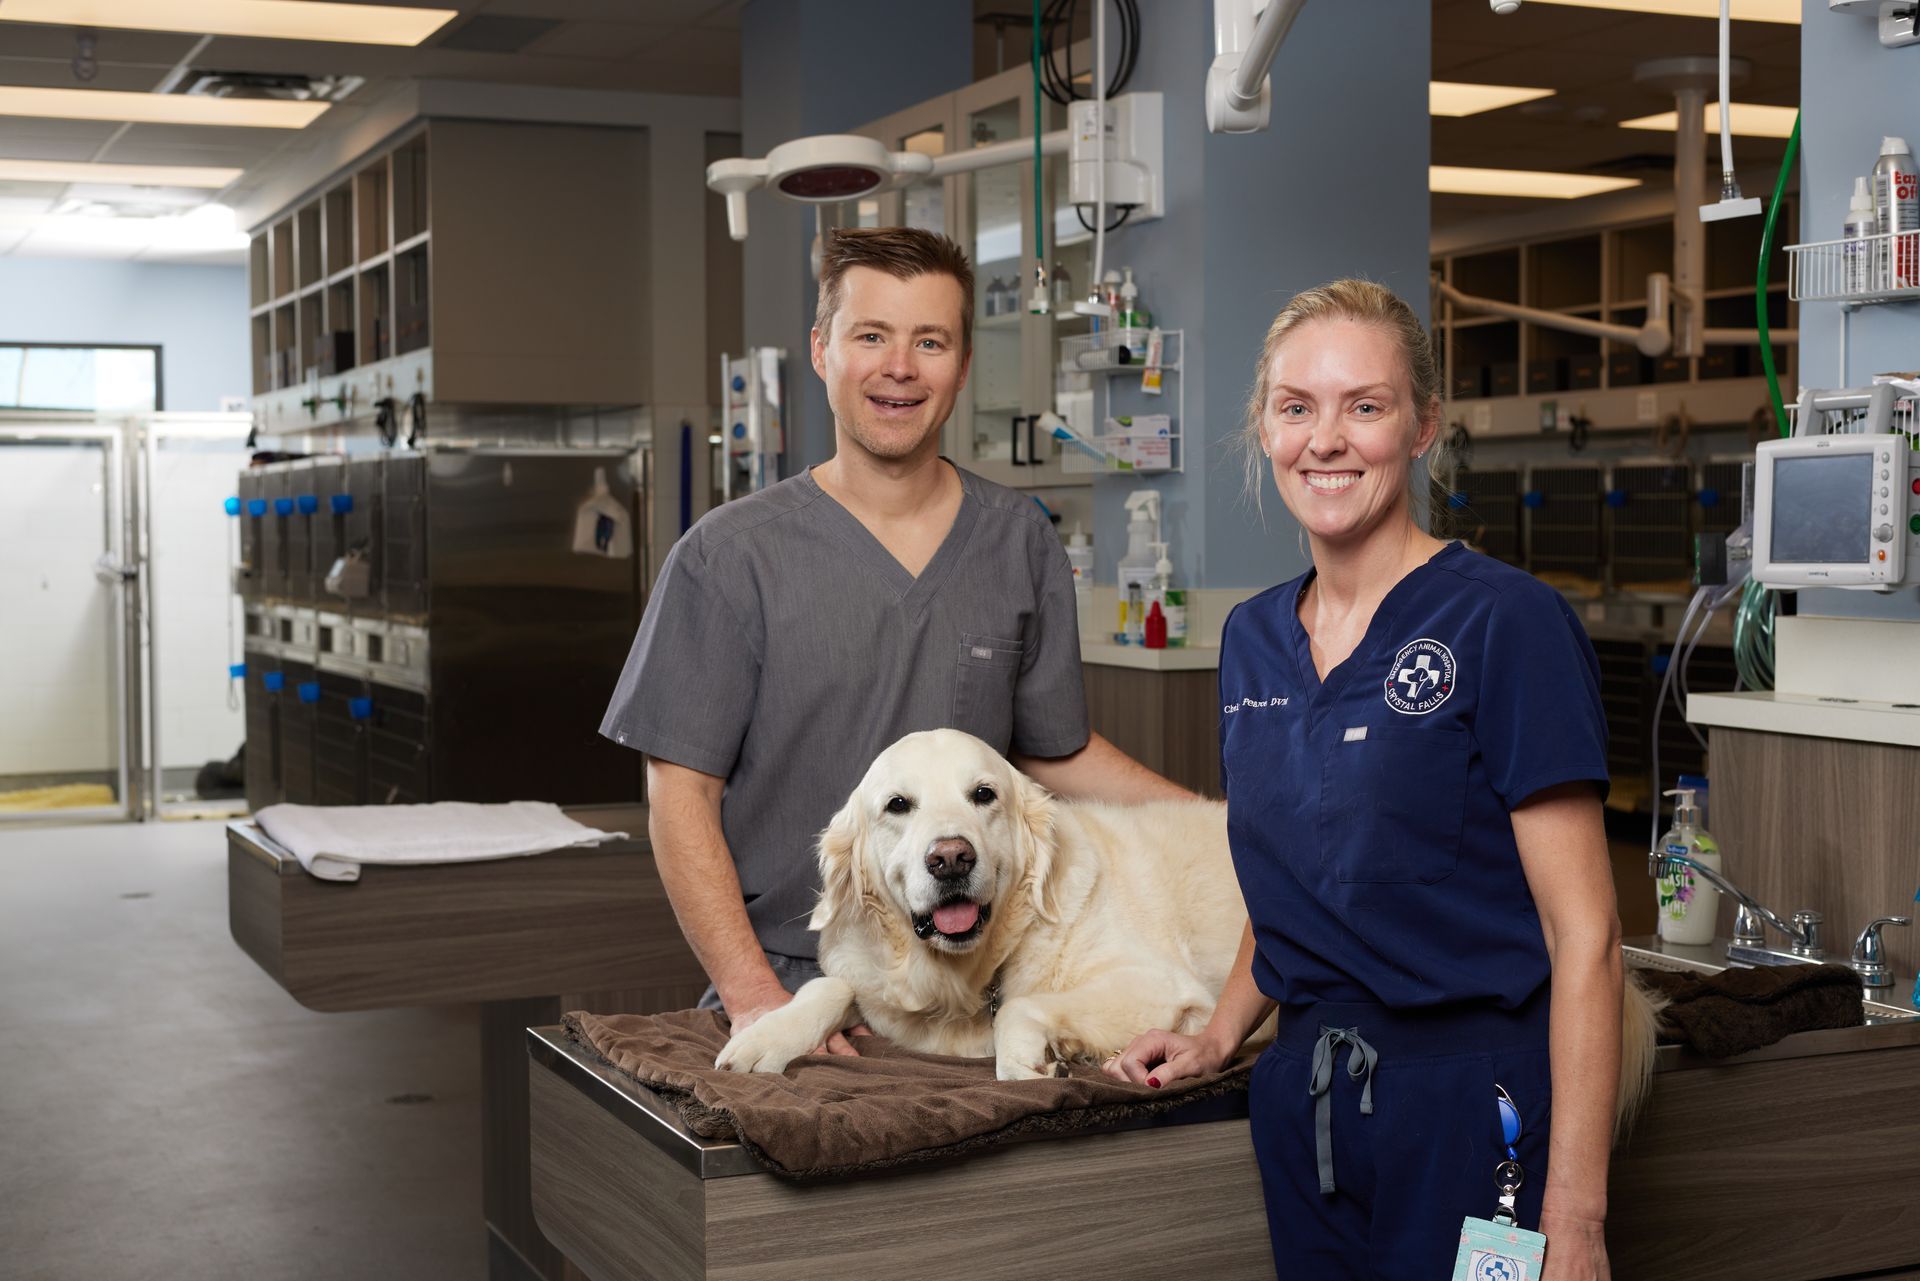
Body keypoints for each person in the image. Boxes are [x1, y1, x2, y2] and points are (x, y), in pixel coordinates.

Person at [1104, 280, 1622, 1281]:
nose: (1327, 440)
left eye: (1365, 406)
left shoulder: (1505, 624)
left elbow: (1586, 936)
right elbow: (1296, 880)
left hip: (1479, 1103)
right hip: (1307, 1098)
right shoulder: (1254, 638)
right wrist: (1219, 1035)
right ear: (1265, 428)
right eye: (1297, 407)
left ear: (1423, 425)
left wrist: (1579, 1215)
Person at [602, 226, 1187, 1054]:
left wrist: (1223, 827)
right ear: (823, 350)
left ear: (962, 361)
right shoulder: (728, 559)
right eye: (871, 335)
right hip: (800, 992)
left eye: (930, 340)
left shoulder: (1017, 539)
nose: (900, 367)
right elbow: (678, 797)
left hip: (980, 992)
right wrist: (755, 995)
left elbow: (1055, 753)